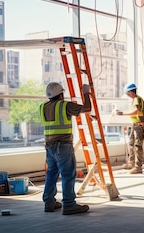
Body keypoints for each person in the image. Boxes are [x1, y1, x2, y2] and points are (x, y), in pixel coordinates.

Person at [41, 82, 91, 215]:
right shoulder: (64, 105)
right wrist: (86, 92)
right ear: (61, 95)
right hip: (63, 145)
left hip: (49, 146)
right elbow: (87, 109)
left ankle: (49, 202)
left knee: (52, 173)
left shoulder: (43, 107)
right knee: (68, 174)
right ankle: (69, 205)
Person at [116, 83, 144, 174]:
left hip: (140, 125)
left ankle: (138, 167)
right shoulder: (135, 99)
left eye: (127, 93)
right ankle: (131, 163)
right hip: (135, 124)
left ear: (131, 92)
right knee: (131, 143)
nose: (128, 95)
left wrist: (122, 114)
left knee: (138, 146)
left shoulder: (137, 99)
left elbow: (136, 111)